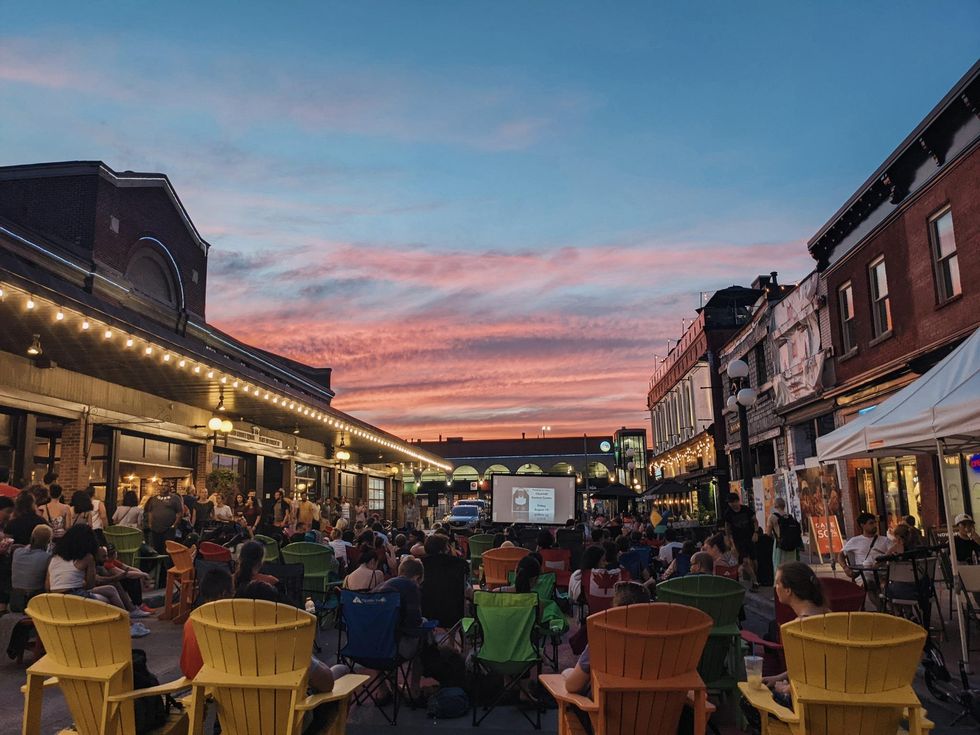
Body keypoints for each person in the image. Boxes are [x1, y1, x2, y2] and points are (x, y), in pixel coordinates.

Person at [561, 581, 651, 731]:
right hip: (657, 722)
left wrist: (566, 673)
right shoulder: (669, 645)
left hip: (606, 724)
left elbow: (573, 685)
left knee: (570, 688)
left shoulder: (602, 640)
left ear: (615, 609)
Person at [46, 526, 148, 636]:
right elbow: (90, 584)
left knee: (110, 589)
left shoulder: (54, 558)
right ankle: (128, 625)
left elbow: (48, 586)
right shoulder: (87, 557)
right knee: (108, 596)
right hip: (76, 597)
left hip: (54, 598)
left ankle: (129, 623)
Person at [761, 562, 828, 706]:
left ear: (788, 590)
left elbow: (807, 674)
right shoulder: (830, 616)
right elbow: (813, 666)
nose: (775, 587)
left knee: (750, 701)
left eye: (778, 583)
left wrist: (785, 688)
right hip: (828, 695)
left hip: (806, 701)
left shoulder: (798, 627)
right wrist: (778, 677)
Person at [374, 557, 427, 700]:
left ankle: (383, 688)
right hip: (394, 649)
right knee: (424, 636)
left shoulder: (380, 587)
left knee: (381, 632)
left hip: (369, 649)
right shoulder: (411, 586)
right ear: (417, 577)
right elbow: (414, 623)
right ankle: (414, 688)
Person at [180, 567, 234, 679]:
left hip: (191, 673)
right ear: (224, 593)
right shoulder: (225, 619)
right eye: (232, 592)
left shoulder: (191, 619)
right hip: (211, 676)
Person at [10, 524, 52, 610]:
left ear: (32, 537)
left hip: (15, 599)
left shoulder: (17, 552)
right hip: (35, 600)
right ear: (48, 542)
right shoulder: (47, 558)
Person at [723, 492, 760, 591]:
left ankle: (754, 578)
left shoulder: (746, 510)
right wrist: (729, 539)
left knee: (754, 560)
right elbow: (727, 526)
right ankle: (755, 581)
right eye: (729, 503)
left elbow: (755, 520)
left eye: (732, 502)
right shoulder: (728, 513)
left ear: (737, 501)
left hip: (749, 537)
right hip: (738, 539)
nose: (731, 505)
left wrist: (756, 532)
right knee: (745, 560)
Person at [838, 512, 891, 576]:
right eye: (871, 523)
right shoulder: (855, 541)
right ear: (862, 525)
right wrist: (845, 568)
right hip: (864, 576)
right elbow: (841, 555)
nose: (875, 525)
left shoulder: (885, 540)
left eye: (875, 522)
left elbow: (894, 553)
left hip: (883, 574)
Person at [145, 485, 184, 553]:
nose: (163, 487)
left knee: (168, 550)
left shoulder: (175, 498)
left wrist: (174, 525)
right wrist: (150, 524)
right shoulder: (154, 498)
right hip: (155, 529)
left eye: (166, 485)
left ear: (169, 487)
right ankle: (158, 563)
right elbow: (150, 512)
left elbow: (179, 512)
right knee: (156, 549)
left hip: (168, 529)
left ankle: (167, 563)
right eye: (161, 486)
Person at [768, 497, 802, 569]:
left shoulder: (772, 517)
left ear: (775, 505)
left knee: (779, 568)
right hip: (792, 547)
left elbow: (768, 534)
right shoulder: (790, 517)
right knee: (791, 568)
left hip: (780, 546)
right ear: (784, 506)